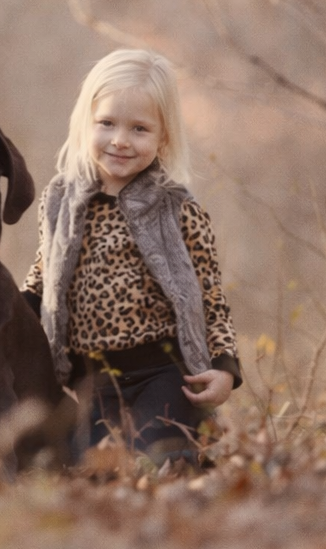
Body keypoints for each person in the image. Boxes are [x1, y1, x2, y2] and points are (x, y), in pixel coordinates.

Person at [23, 47, 240, 469]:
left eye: (139, 128)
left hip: (164, 372)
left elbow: (210, 295)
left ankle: (184, 454)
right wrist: (15, 315)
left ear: (164, 138)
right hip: (90, 381)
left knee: (156, 463)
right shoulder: (59, 200)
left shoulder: (176, 209)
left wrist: (225, 367)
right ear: (86, 124)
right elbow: (41, 276)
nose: (120, 140)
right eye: (107, 123)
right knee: (86, 473)